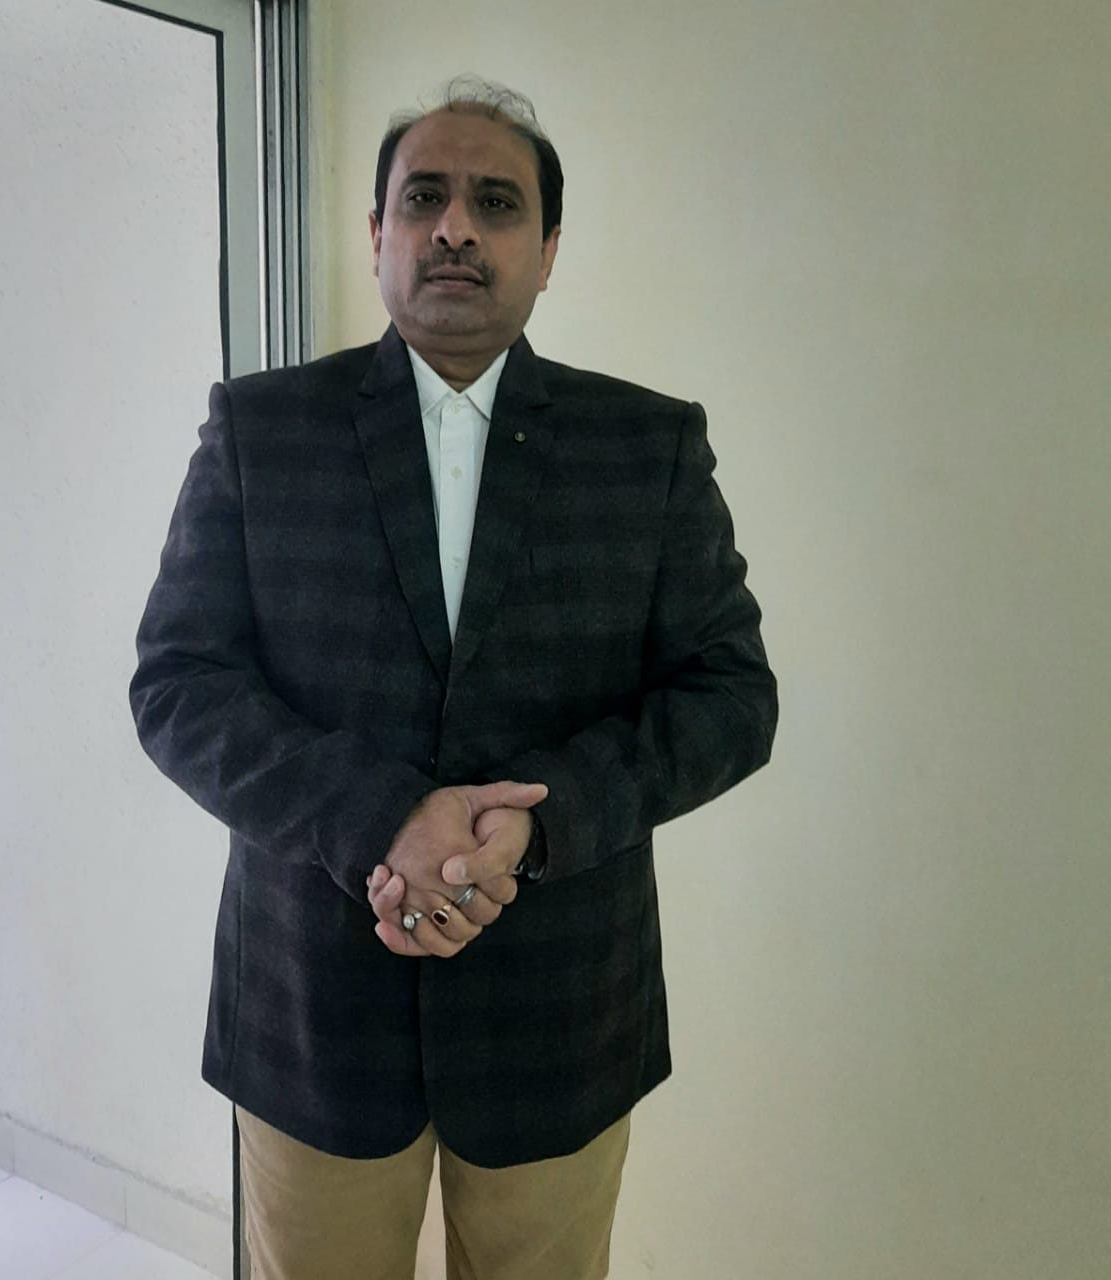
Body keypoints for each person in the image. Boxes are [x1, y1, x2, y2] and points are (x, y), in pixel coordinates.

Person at [130, 75, 776, 1280]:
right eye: (423, 198)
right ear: (376, 233)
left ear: (547, 251)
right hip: (312, 1013)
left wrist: (530, 826)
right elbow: (177, 683)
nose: (455, 228)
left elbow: (730, 697)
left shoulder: (646, 446)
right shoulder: (261, 430)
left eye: (496, 203)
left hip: (558, 1015)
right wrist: (382, 815)